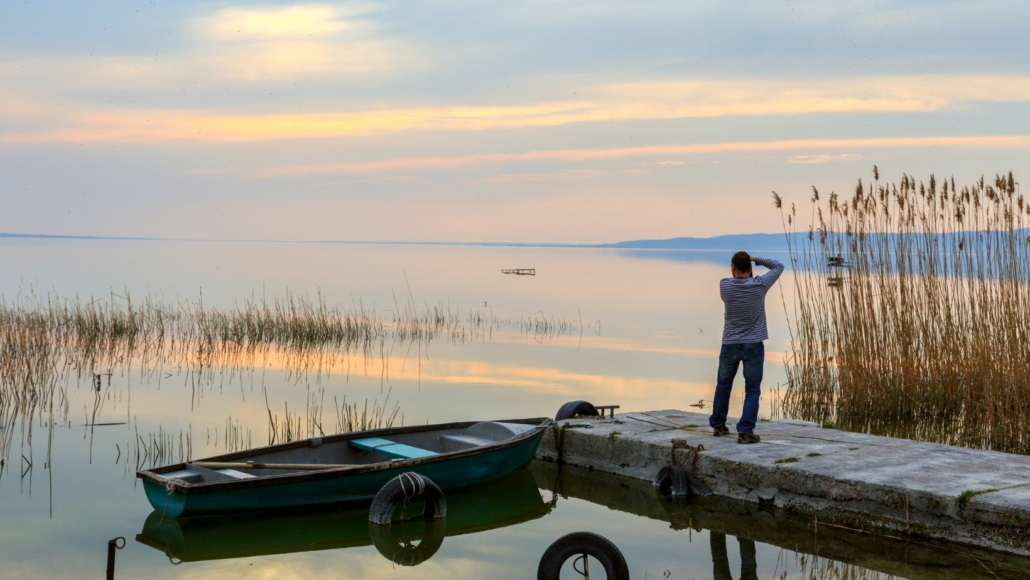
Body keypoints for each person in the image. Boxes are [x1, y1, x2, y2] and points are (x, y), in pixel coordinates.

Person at [709, 251, 784, 444]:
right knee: (752, 389)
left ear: (732, 267)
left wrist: (745, 266)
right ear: (750, 269)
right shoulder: (760, 285)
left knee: (723, 386)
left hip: (730, 344)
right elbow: (778, 266)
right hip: (753, 345)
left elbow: (735, 280)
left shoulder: (724, 285)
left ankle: (718, 426)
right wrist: (755, 259)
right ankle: (745, 431)